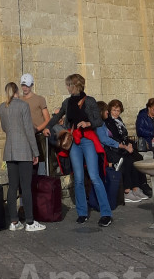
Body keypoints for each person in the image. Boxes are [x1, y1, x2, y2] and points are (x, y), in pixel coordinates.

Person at [49, 73, 114, 226]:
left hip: (87, 140)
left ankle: (106, 213)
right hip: (74, 142)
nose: (67, 87)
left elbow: (98, 120)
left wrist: (87, 123)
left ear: (75, 85)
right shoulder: (67, 102)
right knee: (78, 178)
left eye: (68, 85)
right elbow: (56, 117)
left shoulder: (89, 101)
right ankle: (82, 212)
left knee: (94, 176)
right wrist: (47, 127)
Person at [0, 82, 46, 232]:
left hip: (10, 150)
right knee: (26, 187)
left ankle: (14, 221)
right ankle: (30, 222)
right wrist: (35, 152)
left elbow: (4, 128)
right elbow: (28, 131)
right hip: (24, 150)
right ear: (17, 91)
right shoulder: (23, 106)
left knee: (12, 186)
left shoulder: (2, 107)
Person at [104, 99, 150, 202]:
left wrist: (130, 144)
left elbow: (124, 135)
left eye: (118, 110)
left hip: (124, 146)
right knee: (128, 161)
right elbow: (113, 138)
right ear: (110, 110)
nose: (116, 113)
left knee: (138, 158)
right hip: (116, 149)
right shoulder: (108, 122)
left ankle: (139, 186)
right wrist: (125, 146)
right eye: (114, 110)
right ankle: (127, 190)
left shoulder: (119, 120)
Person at [19, 73, 51, 174]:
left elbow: (47, 119)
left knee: (41, 166)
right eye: (23, 85)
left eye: (27, 85)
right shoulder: (18, 100)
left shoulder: (39, 99)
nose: (25, 88)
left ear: (32, 85)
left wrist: (36, 129)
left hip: (38, 136)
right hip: (24, 138)